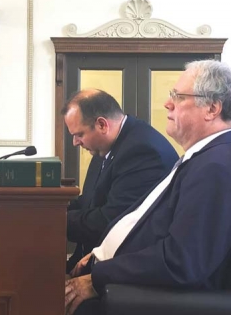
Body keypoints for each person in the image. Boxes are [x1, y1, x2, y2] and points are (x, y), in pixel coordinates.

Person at [65, 60, 231, 315]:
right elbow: (145, 220)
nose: (167, 103)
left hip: (142, 300)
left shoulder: (216, 167)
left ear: (212, 108)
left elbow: (182, 261)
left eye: (178, 96)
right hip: (119, 275)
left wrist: (98, 277)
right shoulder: (203, 157)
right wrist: (100, 254)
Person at [63, 89, 179, 273]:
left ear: (102, 125)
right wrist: (51, 207)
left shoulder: (142, 151)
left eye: (79, 134)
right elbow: (90, 202)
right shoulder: (106, 145)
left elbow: (111, 221)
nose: (75, 142)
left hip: (123, 269)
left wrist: (56, 221)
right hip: (92, 260)